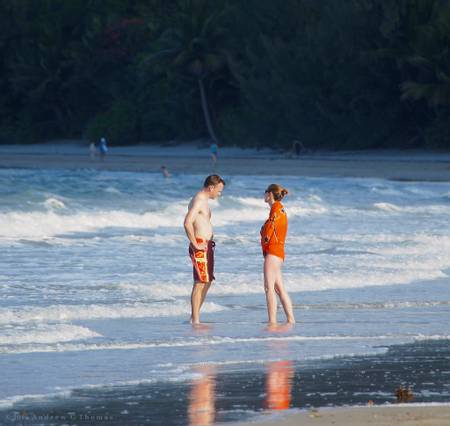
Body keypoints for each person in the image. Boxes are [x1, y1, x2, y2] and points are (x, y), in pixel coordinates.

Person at [184, 175, 225, 324]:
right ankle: (195, 319)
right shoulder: (199, 200)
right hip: (200, 244)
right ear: (211, 187)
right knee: (200, 282)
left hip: (207, 245)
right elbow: (187, 222)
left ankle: (194, 317)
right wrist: (194, 243)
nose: (219, 194)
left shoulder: (204, 201)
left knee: (207, 281)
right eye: (219, 191)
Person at [260, 184, 295, 324]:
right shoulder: (280, 209)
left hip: (273, 252)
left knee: (269, 288)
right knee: (279, 288)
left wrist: (265, 236)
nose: (263, 195)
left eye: (265, 193)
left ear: (269, 194)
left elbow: (270, 230)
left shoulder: (276, 210)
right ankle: (291, 320)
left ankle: (272, 322)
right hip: (279, 253)